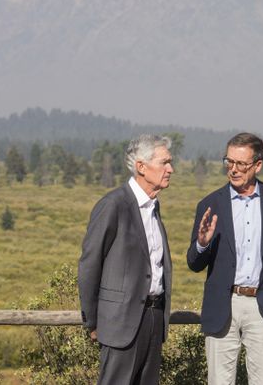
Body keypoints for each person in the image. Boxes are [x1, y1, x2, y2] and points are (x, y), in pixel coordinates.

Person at [187, 132, 263, 385]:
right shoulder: (209, 204)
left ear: (258, 165)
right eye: (229, 162)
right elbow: (194, 263)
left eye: (241, 164)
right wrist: (202, 243)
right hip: (222, 304)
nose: (233, 169)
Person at [78, 134, 175, 385]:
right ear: (141, 167)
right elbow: (90, 264)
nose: (170, 169)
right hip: (119, 323)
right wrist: (93, 321)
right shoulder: (113, 205)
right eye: (164, 162)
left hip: (153, 319)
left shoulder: (153, 207)